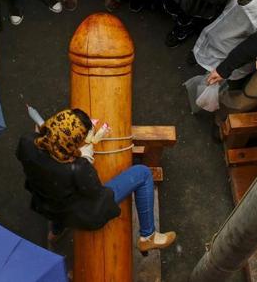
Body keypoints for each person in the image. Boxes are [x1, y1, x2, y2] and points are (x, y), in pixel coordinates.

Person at [16, 108, 177, 252]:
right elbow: (95, 193)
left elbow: (38, 142)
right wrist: (85, 158)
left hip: (47, 203)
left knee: (59, 204)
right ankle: (148, 236)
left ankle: (56, 232)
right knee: (142, 173)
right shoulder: (78, 169)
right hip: (81, 214)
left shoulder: (27, 143)